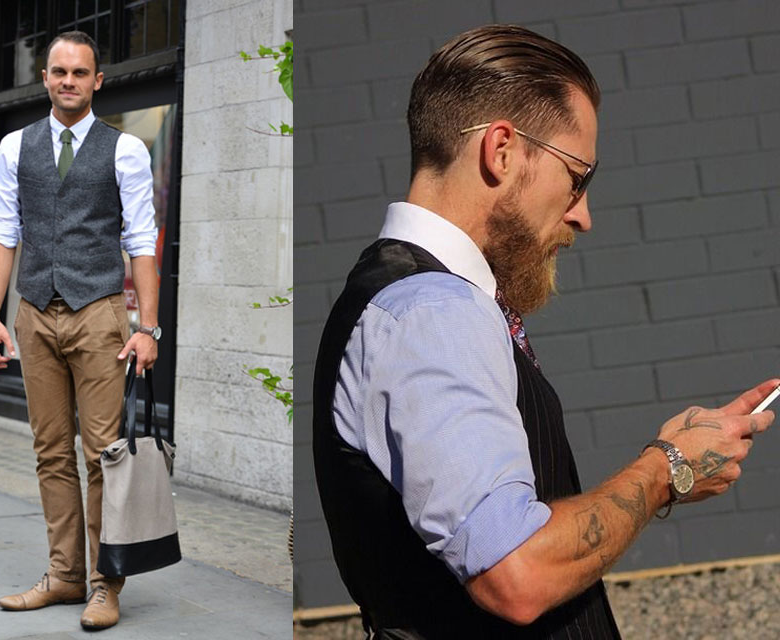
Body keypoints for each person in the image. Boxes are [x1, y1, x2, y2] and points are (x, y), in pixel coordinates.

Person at [312, 24, 778, 639]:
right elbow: (516, 573)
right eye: (577, 176)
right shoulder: (434, 314)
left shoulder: (406, 296)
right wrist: (668, 467)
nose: (583, 214)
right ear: (501, 151)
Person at [0, 31, 161, 631]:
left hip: (99, 314)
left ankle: (104, 584)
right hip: (33, 312)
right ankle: (63, 576)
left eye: (80, 73)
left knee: (103, 455)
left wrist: (149, 328)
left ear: (97, 81)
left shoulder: (126, 150)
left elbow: (141, 243)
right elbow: (3, 233)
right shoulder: (14, 147)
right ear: (44, 77)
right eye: (59, 71)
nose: (68, 81)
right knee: (50, 451)